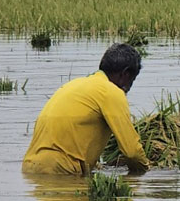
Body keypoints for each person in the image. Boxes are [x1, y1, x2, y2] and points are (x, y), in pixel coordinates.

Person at [22, 43, 150, 175]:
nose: (128, 88)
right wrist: (146, 171)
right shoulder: (111, 92)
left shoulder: (74, 85)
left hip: (30, 167)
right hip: (61, 170)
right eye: (132, 80)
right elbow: (132, 152)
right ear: (126, 74)